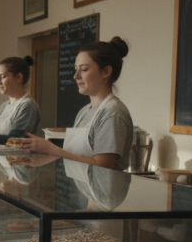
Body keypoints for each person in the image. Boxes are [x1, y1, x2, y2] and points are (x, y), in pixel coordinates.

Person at [21, 37, 134, 170]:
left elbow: (103, 168)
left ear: (106, 72)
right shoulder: (84, 111)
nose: (76, 76)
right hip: (80, 184)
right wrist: (43, 154)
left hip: (102, 185)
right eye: (76, 69)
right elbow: (75, 156)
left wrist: (52, 150)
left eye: (84, 69)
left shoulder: (113, 113)